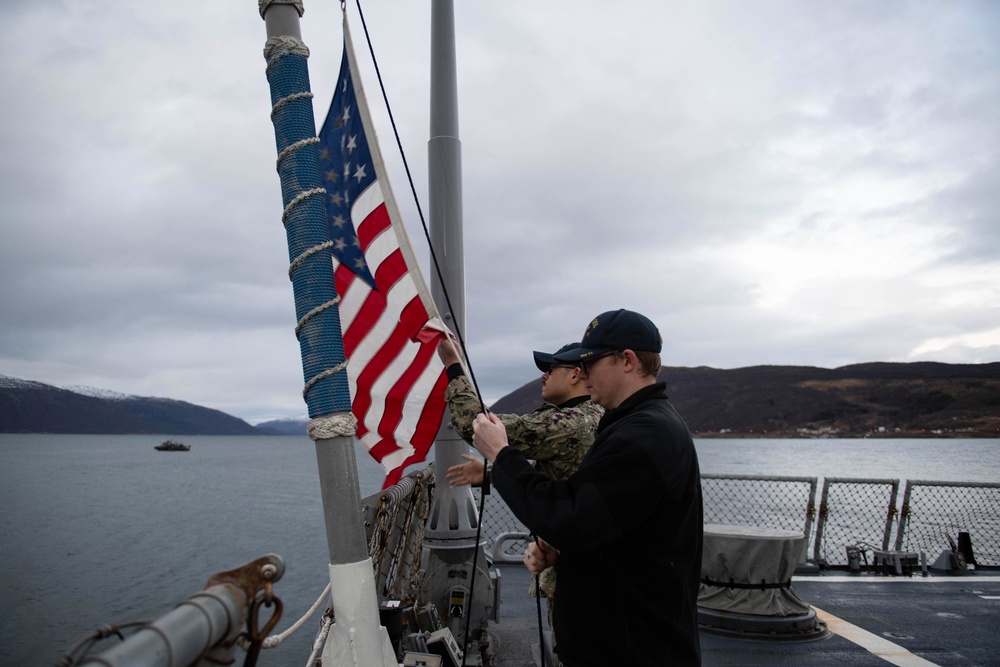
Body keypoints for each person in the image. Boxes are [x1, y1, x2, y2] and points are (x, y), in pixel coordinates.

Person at [471, 309, 703, 667]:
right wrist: (564, 555)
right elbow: (620, 528)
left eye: (591, 361)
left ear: (627, 361)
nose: (583, 372)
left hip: (632, 650)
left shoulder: (644, 435)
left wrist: (501, 455)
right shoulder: (637, 425)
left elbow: (568, 516)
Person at [437, 339, 603, 631]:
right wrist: (491, 472)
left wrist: (453, 365)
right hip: (591, 560)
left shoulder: (569, 424)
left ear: (575, 374)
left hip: (574, 568)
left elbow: (477, 425)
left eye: (551, 369)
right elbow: (562, 471)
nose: (544, 375)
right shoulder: (596, 416)